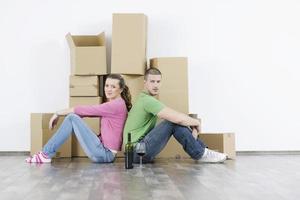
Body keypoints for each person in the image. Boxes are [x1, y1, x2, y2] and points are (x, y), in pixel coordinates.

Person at [123, 68, 227, 163]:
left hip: (136, 152)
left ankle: (203, 151)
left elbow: (178, 117)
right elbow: (177, 118)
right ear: (145, 83)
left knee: (176, 121)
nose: (155, 85)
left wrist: (192, 123)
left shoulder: (145, 99)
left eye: (158, 82)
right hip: (135, 153)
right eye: (152, 81)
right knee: (172, 123)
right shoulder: (147, 101)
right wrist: (196, 123)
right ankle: (201, 154)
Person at [26, 74, 131, 163]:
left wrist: (58, 113)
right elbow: (88, 113)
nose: (108, 89)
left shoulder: (115, 105)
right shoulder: (116, 104)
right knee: (73, 117)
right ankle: (45, 154)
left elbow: (89, 110)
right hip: (103, 152)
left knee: (72, 117)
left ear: (121, 89)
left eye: (113, 87)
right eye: (107, 85)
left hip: (104, 154)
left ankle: (45, 154)